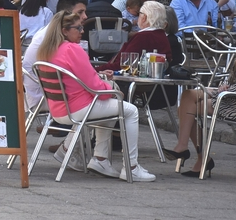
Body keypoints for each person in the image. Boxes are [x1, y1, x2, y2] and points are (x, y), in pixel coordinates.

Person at [36, 11, 156, 182]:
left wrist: (106, 90)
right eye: (78, 28)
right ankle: (131, 167)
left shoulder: (48, 51)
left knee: (108, 103)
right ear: (64, 30)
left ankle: (101, 159)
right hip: (77, 109)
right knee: (131, 110)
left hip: (58, 110)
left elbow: (87, 82)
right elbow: (94, 85)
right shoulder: (72, 49)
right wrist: (112, 89)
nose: (82, 31)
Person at [163, 19, 236, 177]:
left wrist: (216, 92)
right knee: (188, 96)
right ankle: (188, 150)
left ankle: (190, 152)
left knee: (186, 109)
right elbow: (227, 82)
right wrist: (220, 88)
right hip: (226, 97)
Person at [96, 1, 173, 72]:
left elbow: (123, 64)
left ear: (144, 17)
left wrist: (95, 70)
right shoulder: (162, 35)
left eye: (139, 14)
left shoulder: (142, 37)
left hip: (126, 80)